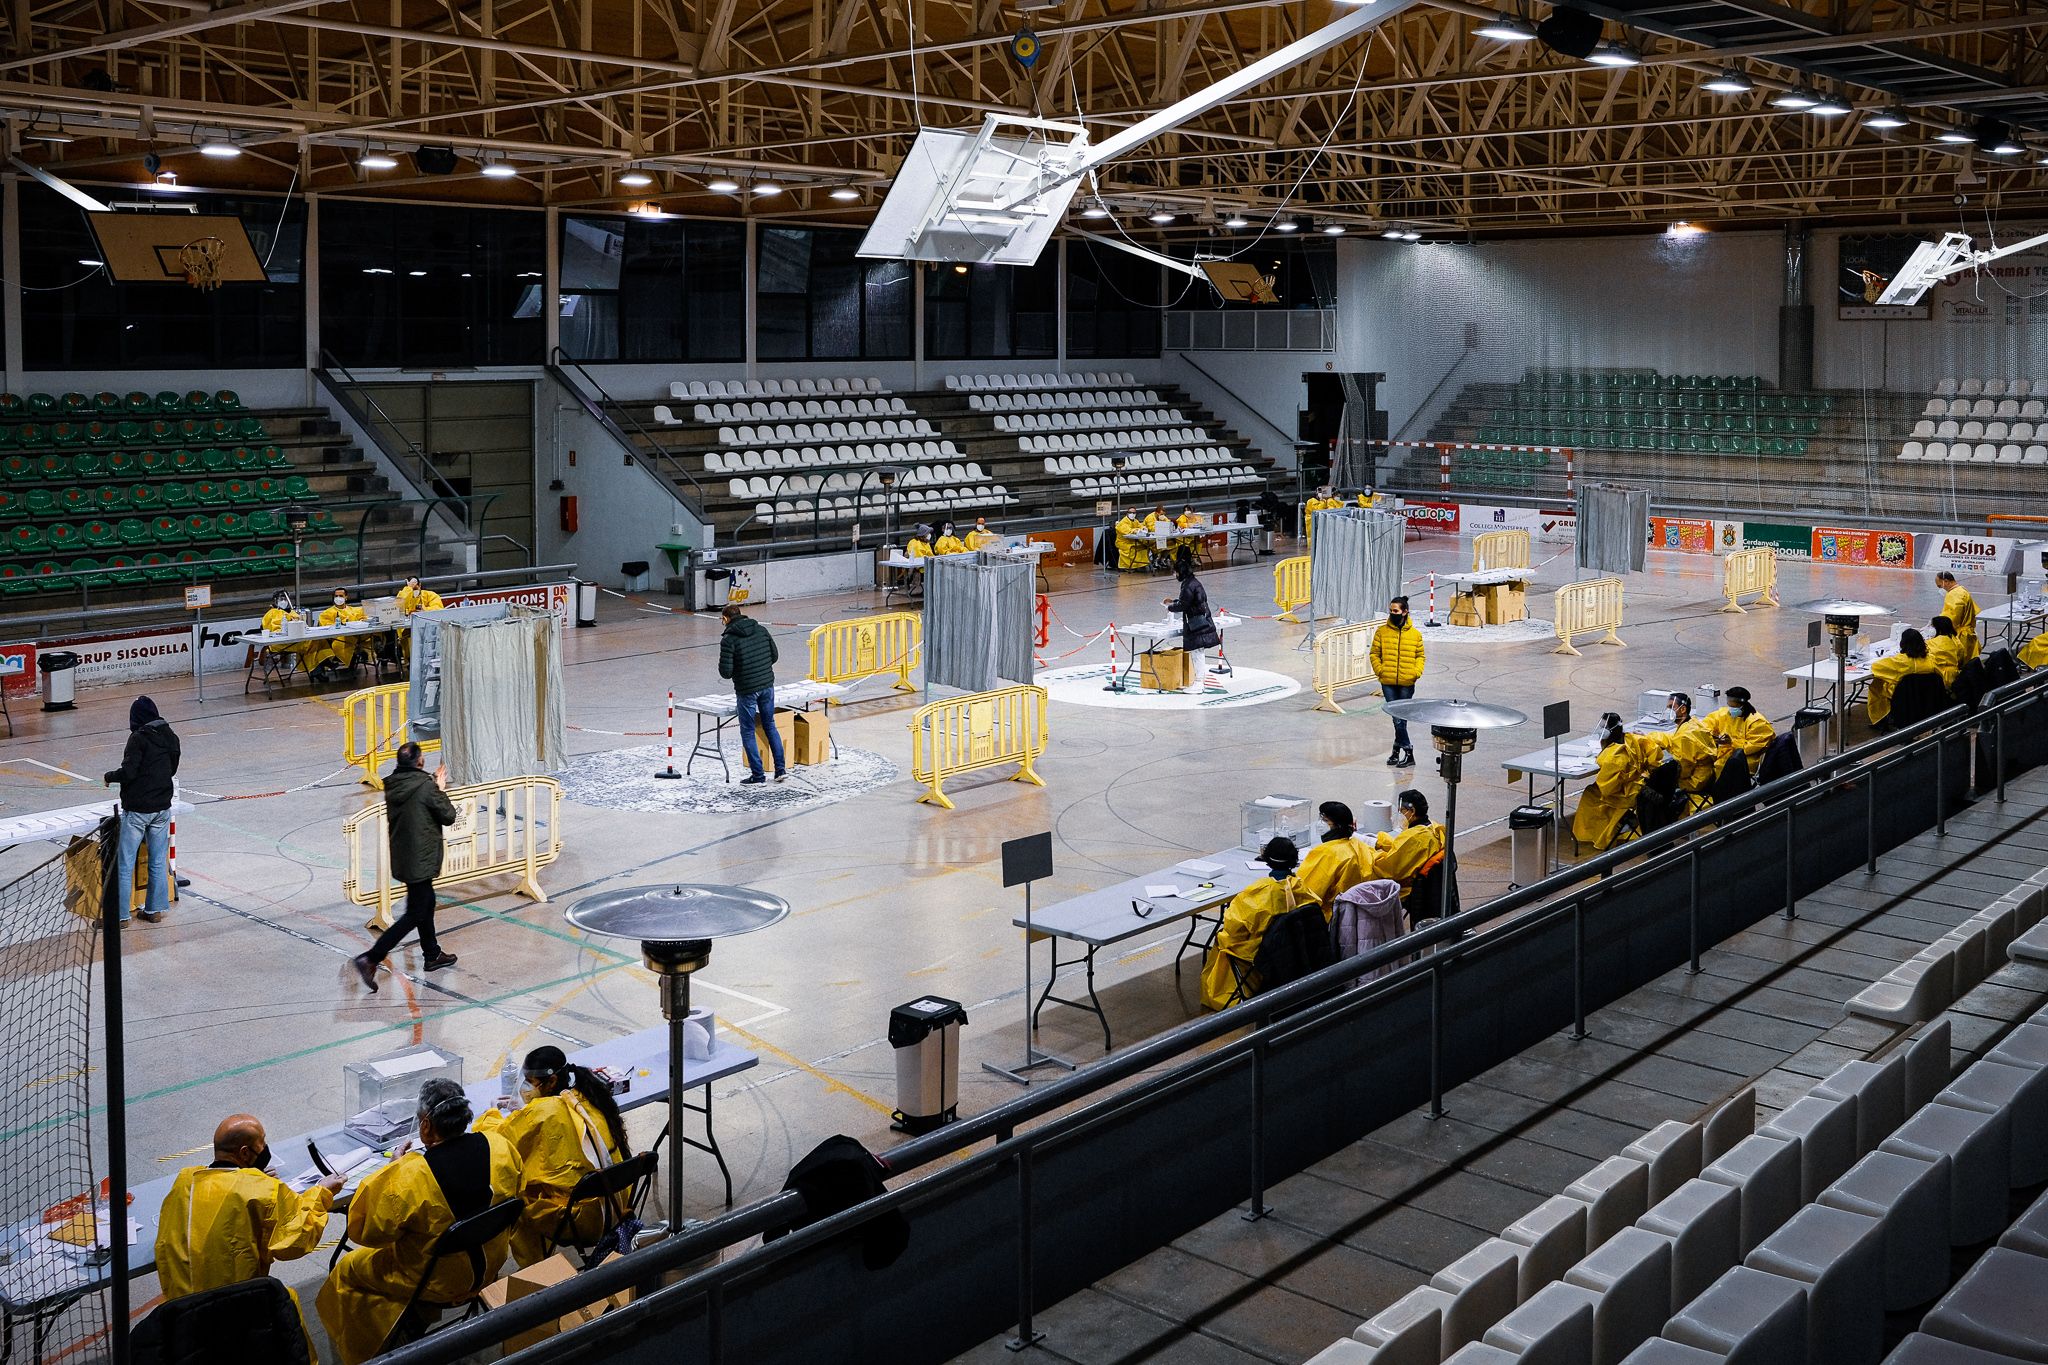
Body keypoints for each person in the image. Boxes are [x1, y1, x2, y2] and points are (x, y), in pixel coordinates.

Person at [316, 1079, 522, 1365]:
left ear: (425, 1126)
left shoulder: (411, 1175)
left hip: (438, 1280)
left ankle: (369, 1352)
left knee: (346, 1270)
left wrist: (395, 1168)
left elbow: (366, 1232)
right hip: (491, 1263)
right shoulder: (499, 1146)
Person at [156, 1113, 342, 1342]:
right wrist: (322, 1192)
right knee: (289, 1302)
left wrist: (250, 1177)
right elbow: (297, 1239)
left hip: (180, 1314)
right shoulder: (261, 1188)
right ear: (245, 1153)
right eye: (262, 1142)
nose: (265, 1148)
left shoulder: (185, 1181)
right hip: (238, 1312)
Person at [478, 1045, 633, 1266]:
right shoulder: (588, 1097)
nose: (526, 1088)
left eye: (531, 1082)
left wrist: (491, 1113)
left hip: (585, 1220)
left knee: (517, 1197)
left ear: (550, 1082)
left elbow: (500, 1140)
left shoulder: (542, 1112)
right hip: (619, 1205)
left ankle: (540, 1271)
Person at [353, 742, 460, 988]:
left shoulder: (396, 784)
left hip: (405, 856)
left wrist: (431, 784)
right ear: (420, 761)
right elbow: (448, 815)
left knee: (426, 902)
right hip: (421, 858)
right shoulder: (425, 788)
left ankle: (432, 954)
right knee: (416, 912)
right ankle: (371, 958)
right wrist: (440, 788)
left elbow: (418, 796)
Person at [1200, 837, 1303, 1010]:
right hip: (1292, 947)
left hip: (1261, 951)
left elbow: (1233, 927)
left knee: (1222, 940)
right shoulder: (1301, 886)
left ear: (1268, 861)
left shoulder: (1259, 892)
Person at [104, 695, 179, 924]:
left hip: (138, 810)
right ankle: (154, 910)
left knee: (125, 862)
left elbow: (128, 773)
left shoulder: (138, 738)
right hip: (161, 808)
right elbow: (172, 769)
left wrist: (110, 777)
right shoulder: (170, 736)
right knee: (157, 860)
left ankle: (120, 916)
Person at [718, 603, 785, 785]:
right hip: (767, 685)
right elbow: (775, 655)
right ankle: (780, 770)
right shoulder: (761, 629)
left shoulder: (729, 640)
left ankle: (758, 774)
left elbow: (725, 672)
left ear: (726, 619)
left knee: (748, 731)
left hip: (747, 690)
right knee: (770, 725)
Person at [1572, 714, 1657, 851]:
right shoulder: (1631, 738)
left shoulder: (1613, 757)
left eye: (1602, 727)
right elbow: (1654, 754)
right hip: (1638, 783)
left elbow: (1607, 789)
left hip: (1625, 793)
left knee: (1590, 793)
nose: (1600, 730)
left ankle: (1593, 832)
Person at [1370, 596, 1426, 768]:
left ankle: (1397, 750)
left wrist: (1415, 673)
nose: (1392, 613)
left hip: (1406, 682)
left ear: (1405, 611)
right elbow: (1374, 654)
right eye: (1391, 610)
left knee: (1401, 718)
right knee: (1397, 718)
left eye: (1396, 611)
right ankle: (1408, 751)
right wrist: (1380, 670)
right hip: (1388, 682)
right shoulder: (1381, 631)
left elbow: (1420, 656)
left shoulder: (1415, 635)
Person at [1296, 801, 1376, 914]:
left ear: (1338, 826)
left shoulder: (1326, 853)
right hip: (1354, 910)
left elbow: (1305, 893)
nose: (1320, 824)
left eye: (1325, 821)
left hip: (1328, 915)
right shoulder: (1359, 845)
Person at [1374, 789, 1448, 906]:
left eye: (1401, 811)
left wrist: (1369, 852)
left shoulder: (1415, 837)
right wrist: (1380, 841)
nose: (1400, 815)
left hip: (1408, 888)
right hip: (1428, 885)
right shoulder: (1433, 827)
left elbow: (1387, 869)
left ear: (1412, 811)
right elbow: (1403, 850)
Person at [1163, 547, 1221, 694]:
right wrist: (1174, 601)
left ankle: (1199, 682)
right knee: (1198, 652)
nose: (1174, 574)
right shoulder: (1192, 583)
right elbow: (1188, 601)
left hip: (1197, 625)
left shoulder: (1188, 585)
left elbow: (1184, 605)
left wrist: (1170, 607)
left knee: (1197, 653)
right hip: (1201, 621)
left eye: (1175, 572)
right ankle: (1199, 681)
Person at [1642, 691, 1720, 796]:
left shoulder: (1684, 737)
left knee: (1650, 782)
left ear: (1683, 709)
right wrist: (1646, 737)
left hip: (1695, 781)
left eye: (1671, 707)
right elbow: (1672, 739)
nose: (1667, 711)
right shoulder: (1692, 723)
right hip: (1706, 774)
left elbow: (1682, 772)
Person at [1866, 628, 1939, 727]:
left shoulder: (1901, 661)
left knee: (1876, 686)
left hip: (1903, 694)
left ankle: (1880, 718)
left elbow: (1876, 667)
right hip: (1925, 695)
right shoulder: (1930, 659)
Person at [1702, 686, 1774, 772]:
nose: (1730, 709)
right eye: (1729, 705)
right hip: (1725, 753)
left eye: (1733, 706)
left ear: (1742, 705)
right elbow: (1707, 724)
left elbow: (1752, 747)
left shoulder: (1757, 722)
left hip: (1745, 758)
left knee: (1726, 769)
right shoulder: (1724, 714)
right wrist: (1711, 736)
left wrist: (1731, 742)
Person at [310, 587, 370, 682]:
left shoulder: (356, 610)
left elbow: (365, 619)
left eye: (341, 596)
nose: (338, 598)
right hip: (337, 640)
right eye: (336, 596)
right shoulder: (326, 613)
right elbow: (326, 628)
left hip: (357, 639)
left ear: (346, 597)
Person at [1936, 571, 1980, 660]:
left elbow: (1951, 619)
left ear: (1946, 581)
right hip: (1968, 635)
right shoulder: (1962, 590)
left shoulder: (1954, 595)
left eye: (1940, 586)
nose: (1940, 589)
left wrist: (1936, 626)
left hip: (1961, 637)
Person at [1927, 615, 1964, 688]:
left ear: (1938, 629)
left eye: (1932, 626)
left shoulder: (1932, 643)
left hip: (1939, 678)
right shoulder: (1956, 640)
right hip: (1954, 676)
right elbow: (1960, 659)